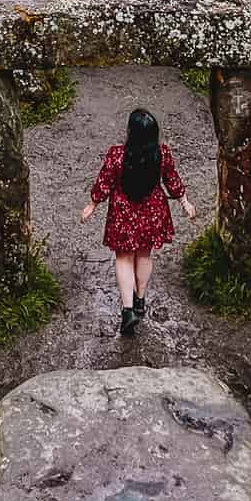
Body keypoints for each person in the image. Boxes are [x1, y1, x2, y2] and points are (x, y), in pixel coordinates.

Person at [82, 108, 195, 337]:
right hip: (152, 212)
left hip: (124, 213)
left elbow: (105, 181)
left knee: (123, 259)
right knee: (144, 255)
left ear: (130, 132)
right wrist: (185, 202)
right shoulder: (162, 154)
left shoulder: (117, 155)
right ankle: (140, 300)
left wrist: (92, 205)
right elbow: (172, 180)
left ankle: (128, 311)